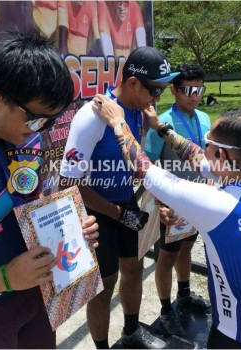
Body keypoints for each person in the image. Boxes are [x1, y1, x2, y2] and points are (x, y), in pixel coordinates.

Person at [92, 96, 241, 349]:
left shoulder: (215, 204)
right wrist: (161, 128)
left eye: (208, 142)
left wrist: (117, 121)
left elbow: (144, 168)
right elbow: (196, 156)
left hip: (240, 335)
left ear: (221, 153)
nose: (203, 146)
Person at [0, 31, 99, 349]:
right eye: (38, 120)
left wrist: (70, 230)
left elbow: (30, 207)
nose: (44, 131)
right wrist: (6, 278)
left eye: (53, 122)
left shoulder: (29, 138)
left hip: (38, 295)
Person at [59, 46, 179, 349]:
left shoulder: (136, 113)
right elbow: (68, 184)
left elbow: (136, 166)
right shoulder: (93, 116)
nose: (158, 99)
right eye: (156, 90)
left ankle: (130, 331)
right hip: (95, 210)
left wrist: (152, 201)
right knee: (104, 284)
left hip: (123, 202)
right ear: (133, 83)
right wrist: (117, 213)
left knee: (134, 269)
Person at [144, 62, 211, 336]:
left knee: (186, 250)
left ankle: (183, 296)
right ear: (174, 90)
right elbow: (147, 165)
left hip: (197, 200)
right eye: (187, 90)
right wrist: (161, 203)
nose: (194, 95)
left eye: (199, 89)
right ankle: (165, 309)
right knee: (166, 257)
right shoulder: (160, 123)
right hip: (172, 206)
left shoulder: (204, 118)